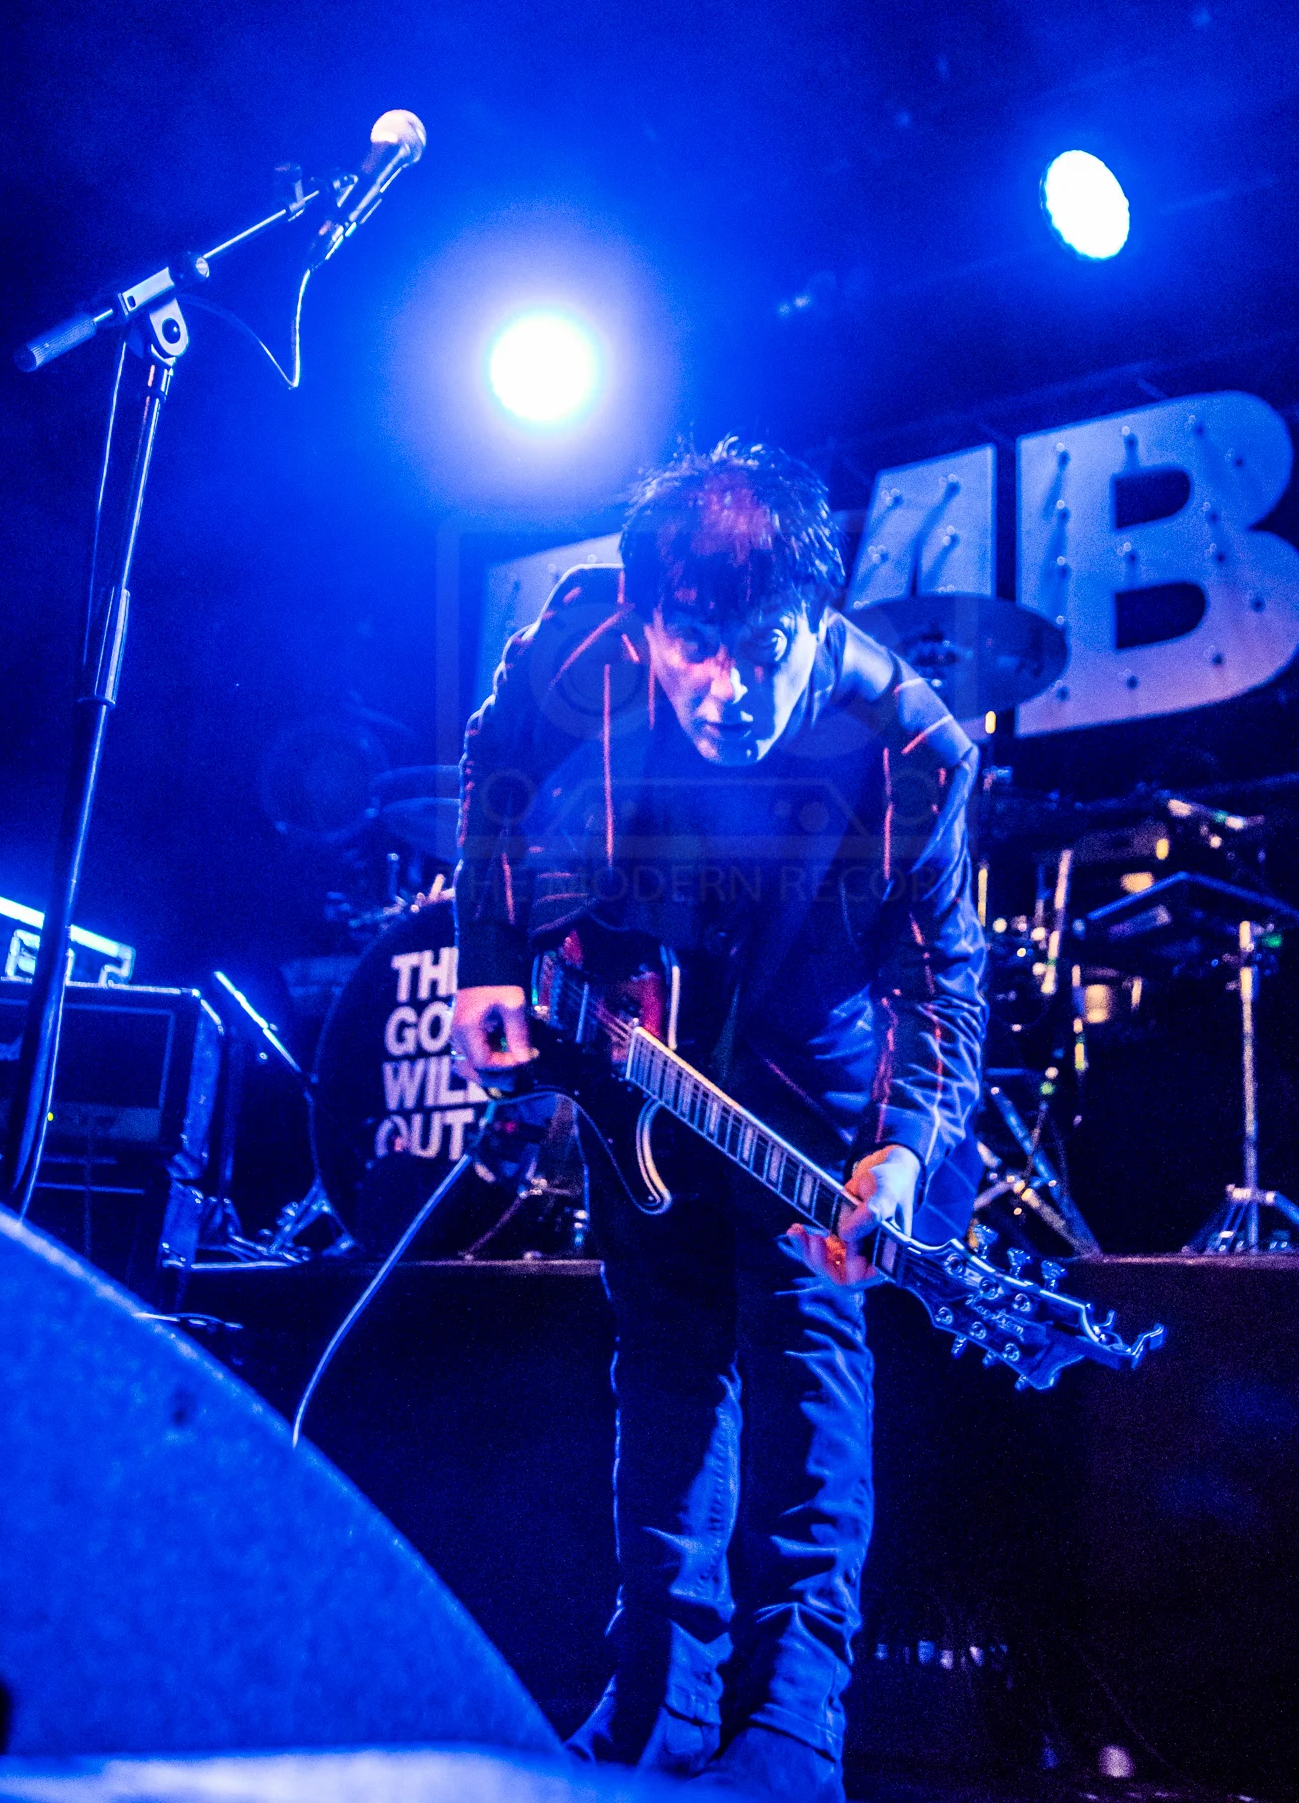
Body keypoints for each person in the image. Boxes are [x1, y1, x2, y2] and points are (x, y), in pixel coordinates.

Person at [451, 440, 986, 1803]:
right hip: (643, 1036)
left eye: (769, 651)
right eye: (698, 649)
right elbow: (494, 775)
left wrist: (902, 1150)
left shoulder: (914, 746)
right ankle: (658, 1706)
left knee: (804, 1355)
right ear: (644, 626)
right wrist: (488, 962)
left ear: (818, 616)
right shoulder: (569, 654)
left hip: (816, 1056)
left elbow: (943, 975)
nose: (733, 688)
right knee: (664, 1356)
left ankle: (793, 1727)